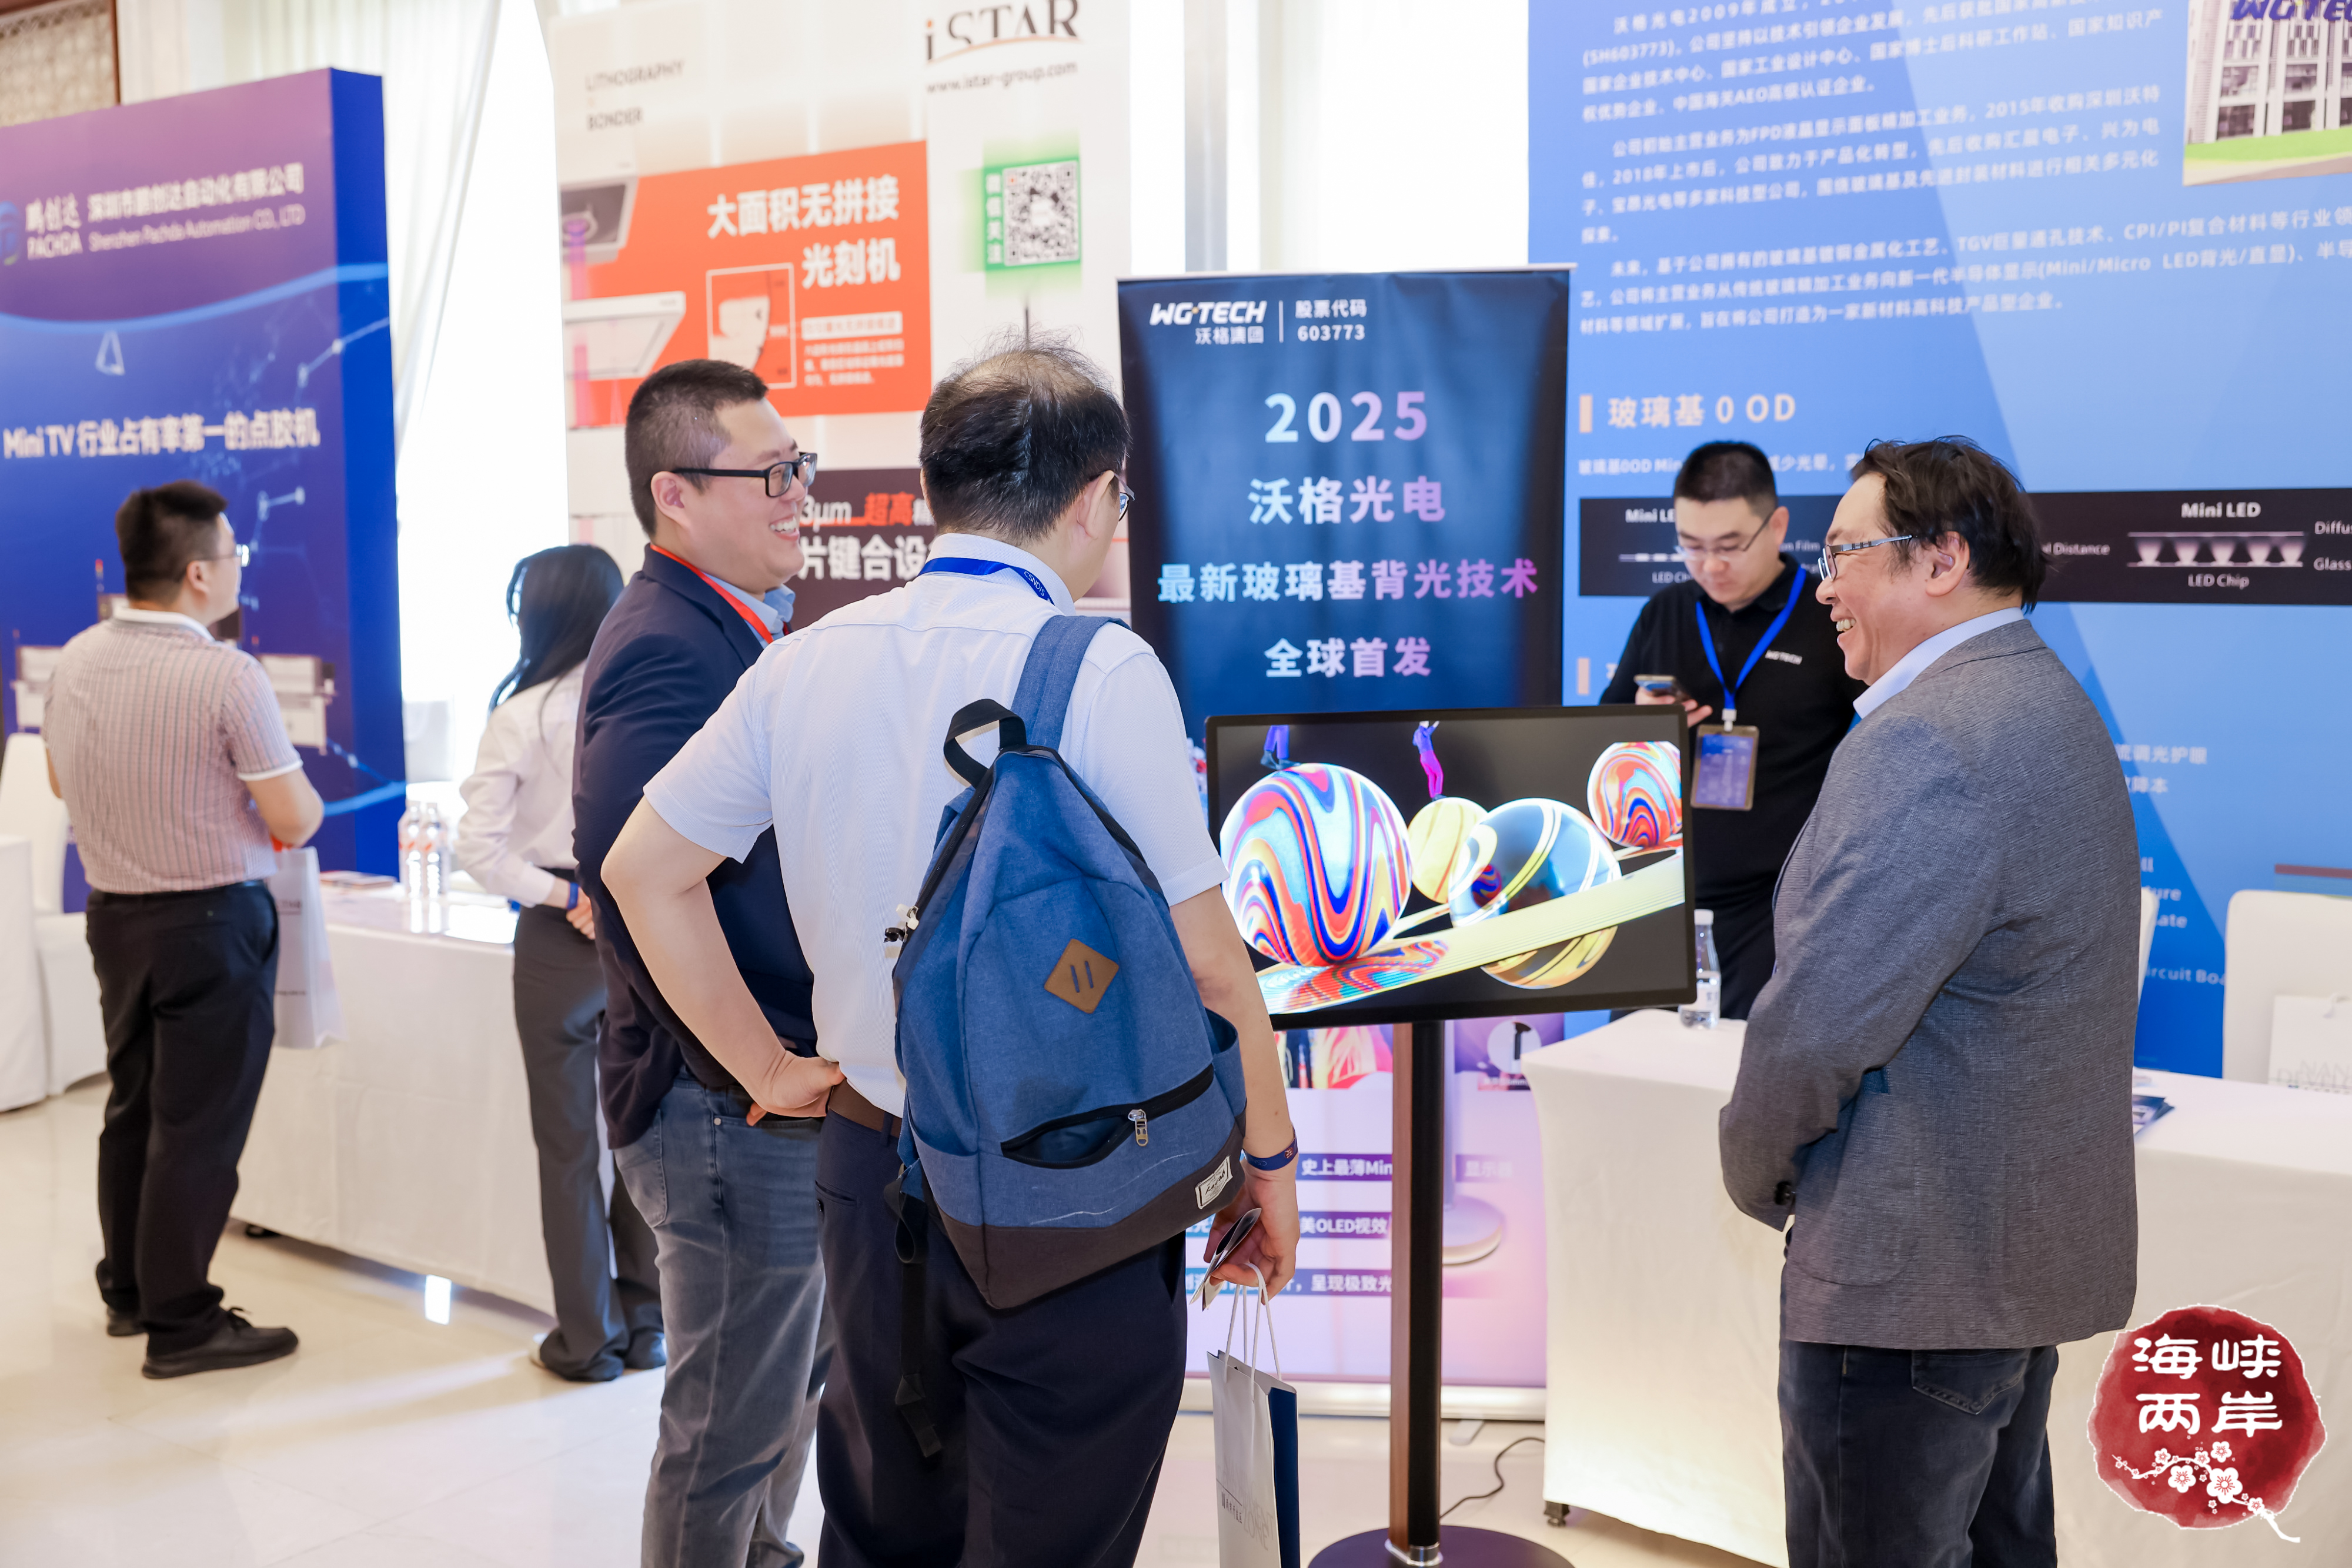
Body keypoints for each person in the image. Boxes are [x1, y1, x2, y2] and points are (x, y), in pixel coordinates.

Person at [600, 336, 1301, 1568]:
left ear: (937, 488)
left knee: (884, 1520)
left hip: (870, 1171)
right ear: (1096, 498)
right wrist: (1269, 1158)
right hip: (1070, 1184)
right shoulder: (1100, 665)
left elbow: (642, 870)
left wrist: (766, 1068)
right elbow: (1206, 965)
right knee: (1053, 1528)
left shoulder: (802, 659)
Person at [1718, 438, 2139, 1566]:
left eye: (1845, 554)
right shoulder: (2043, 698)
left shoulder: (1930, 740)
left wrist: (1757, 1170)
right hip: (1997, 1265)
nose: (1823, 587)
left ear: (1942, 558)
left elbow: (1814, 1029)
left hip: (1909, 1279)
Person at [571, 359, 827, 1567]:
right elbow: (632, 875)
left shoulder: (738, 626)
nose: (797, 494)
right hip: (721, 1104)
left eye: (799, 467)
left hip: (767, 1094)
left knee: (783, 1400)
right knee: (727, 1427)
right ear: (674, 493)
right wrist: (763, 1064)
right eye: (770, 474)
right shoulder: (668, 646)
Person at [41, 480, 322, 1378]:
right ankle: (183, 1320)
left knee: (134, 1105)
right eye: (235, 554)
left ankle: (129, 1289)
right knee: (197, 1124)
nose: (241, 568)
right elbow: (297, 815)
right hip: (210, 921)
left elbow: (58, 782)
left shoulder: (77, 656)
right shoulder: (226, 673)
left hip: (116, 917)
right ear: (199, 572)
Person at [455, 544, 662, 1384]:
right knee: (644, 1130)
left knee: (569, 1147)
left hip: (557, 940)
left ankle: (587, 1339)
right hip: (646, 927)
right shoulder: (643, 699)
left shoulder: (520, 713)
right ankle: (648, 1325)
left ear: (535, 615)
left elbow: (476, 848)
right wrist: (606, 895)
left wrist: (561, 895)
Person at [1601, 442, 1863, 1018]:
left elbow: (1890, 742)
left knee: (1746, 1070)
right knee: (1632, 1063)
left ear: (1777, 526)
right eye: (1691, 546)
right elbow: (1604, 748)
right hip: (1658, 899)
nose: (1710, 566)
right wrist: (1642, 725)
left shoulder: (1828, 618)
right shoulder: (1665, 612)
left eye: (1728, 546)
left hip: (1778, 913)